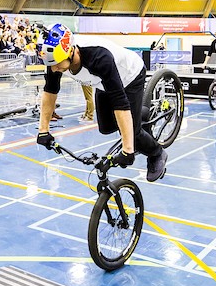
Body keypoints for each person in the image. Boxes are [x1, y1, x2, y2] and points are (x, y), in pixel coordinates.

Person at [35, 25, 167, 182]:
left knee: (133, 135)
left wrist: (128, 149)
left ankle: (157, 153)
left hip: (130, 77)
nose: (54, 69)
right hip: (103, 83)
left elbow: (120, 102)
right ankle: (139, 113)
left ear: (71, 52)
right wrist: (43, 130)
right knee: (105, 128)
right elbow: (50, 92)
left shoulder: (98, 57)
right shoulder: (55, 59)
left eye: (57, 64)